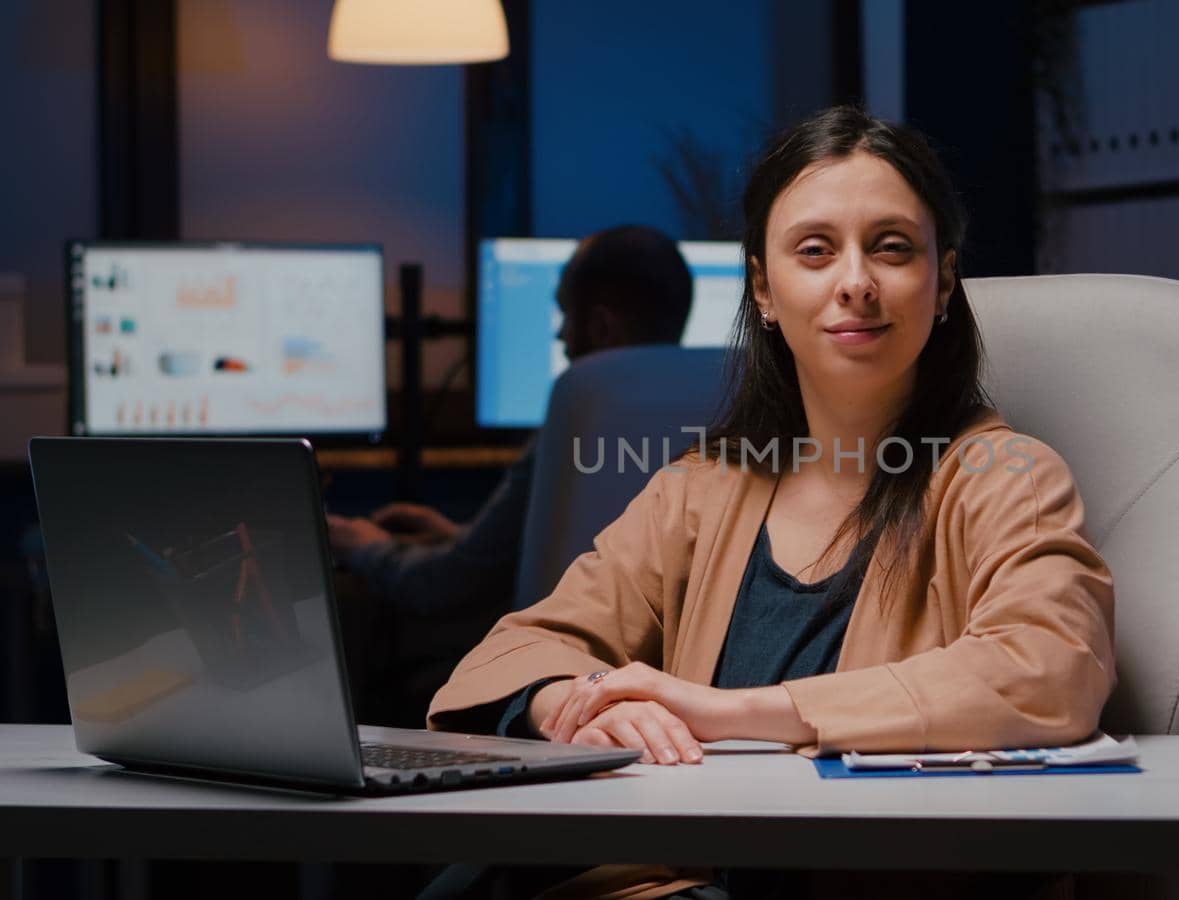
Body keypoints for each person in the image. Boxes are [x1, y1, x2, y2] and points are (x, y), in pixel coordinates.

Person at [426, 107, 1116, 899]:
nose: (855, 282)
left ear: (945, 281)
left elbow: (1051, 669)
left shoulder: (1005, 475)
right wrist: (570, 707)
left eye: (892, 248)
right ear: (763, 287)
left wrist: (735, 713)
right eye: (815, 251)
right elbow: (511, 654)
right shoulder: (703, 487)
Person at [325, 225, 695, 616]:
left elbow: (446, 585)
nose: (560, 336)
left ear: (602, 327)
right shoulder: (714, 415)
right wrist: (463, 538)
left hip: (554, 657)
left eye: (566, 316)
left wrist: (362, 546)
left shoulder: (576, 418)